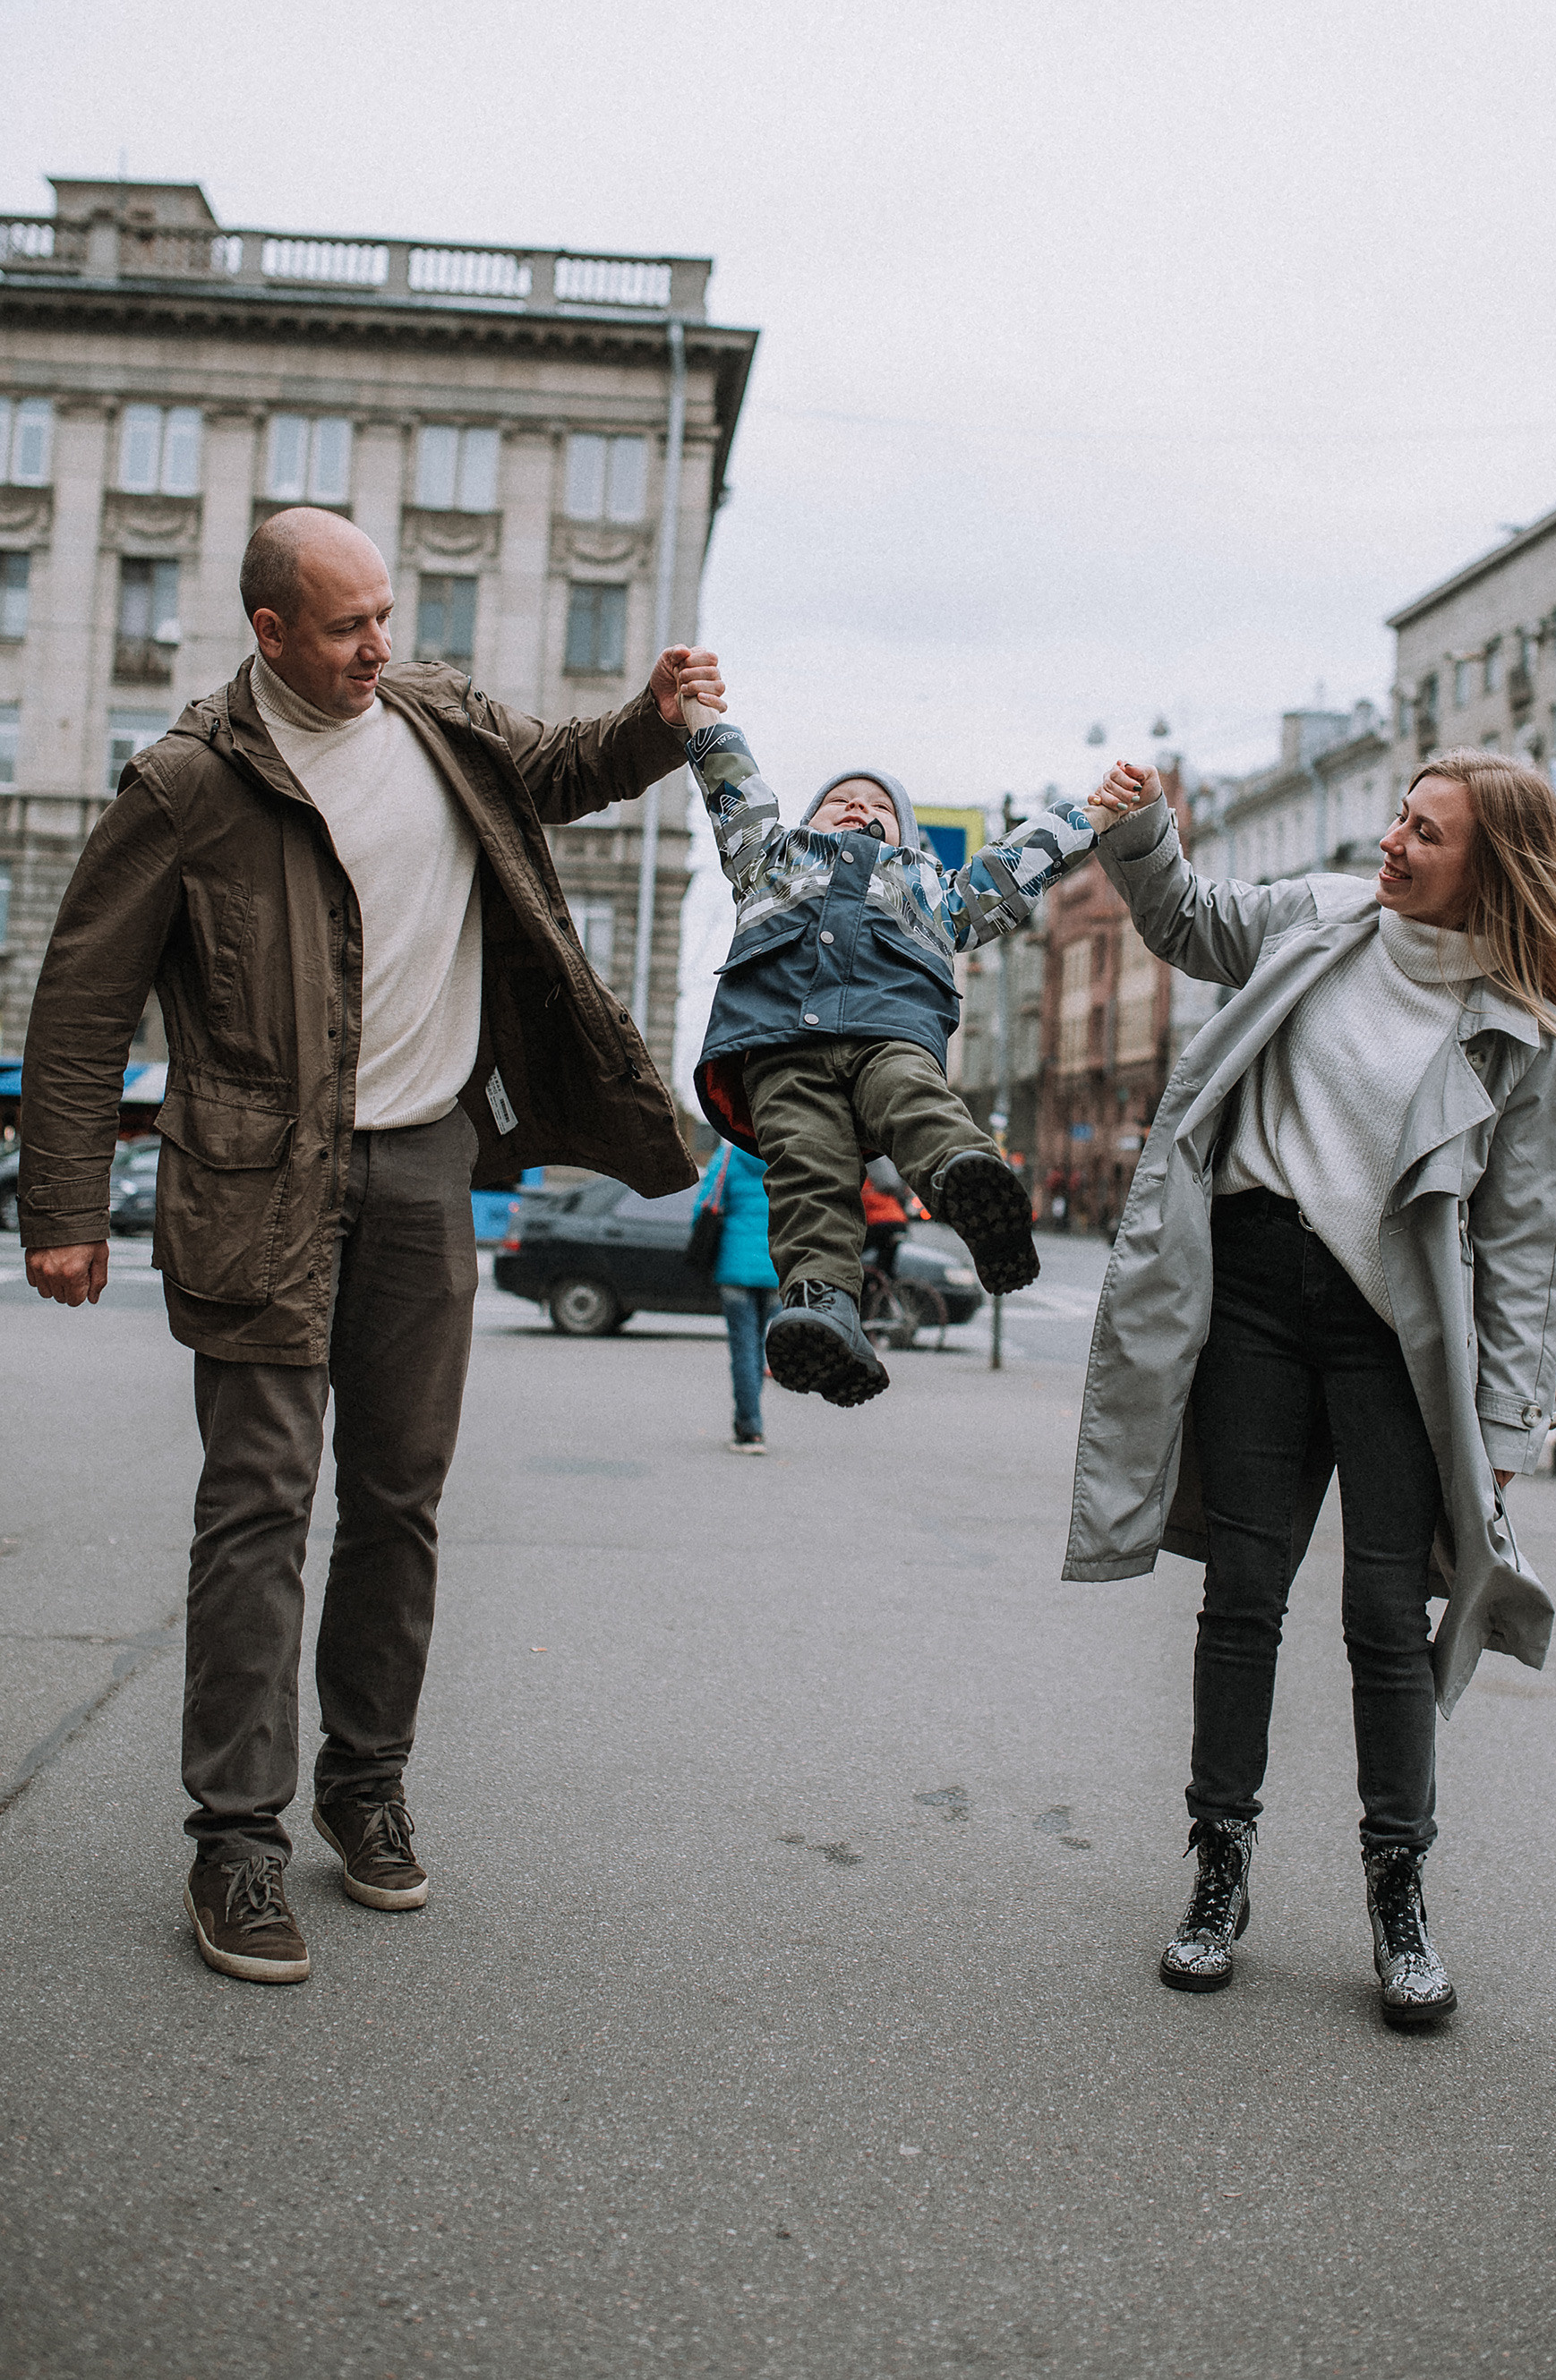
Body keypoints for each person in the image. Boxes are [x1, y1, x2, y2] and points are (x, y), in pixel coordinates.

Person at [18, 504, 723, 1987]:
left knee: (399, 1499)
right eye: (346, 627)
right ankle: (236, 1841)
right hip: (257, 1177)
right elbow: (81, 1008)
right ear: (270, 630)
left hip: (422, 1165)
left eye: (385, 616)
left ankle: (363, 1778)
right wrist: (65, 1206)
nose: (376, 648)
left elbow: (563, 768)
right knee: (259, 1505)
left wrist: (653, 722)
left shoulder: (436, 720)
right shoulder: (188, 784)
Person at [1064, 746, 1556, 2027]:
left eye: (1426, 833)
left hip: (1398, 1339)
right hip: (1252, 1296)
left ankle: (1399, 1894)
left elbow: (1526, 1248)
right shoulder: (1316, 920)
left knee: (1382, 1624)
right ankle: (1218, 1871)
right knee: (1241, 1596)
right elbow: (1186, 920)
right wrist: (1141, 833)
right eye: (1398, 820)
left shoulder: (1522, 1037)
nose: (1394, 845)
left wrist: (1508, 1422)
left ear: (1491, 867)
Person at [679, 687, 1133, 1406]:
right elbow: (732, 785)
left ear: (908, 834)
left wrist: (1098, 813)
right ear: (805, 821)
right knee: (806, 1172)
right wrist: (700, 712)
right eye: (839, 801)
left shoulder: (934, 886)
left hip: (889, 1032)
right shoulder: (768, 857)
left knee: (913, 1099)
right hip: (781, 1045)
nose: (858, 809)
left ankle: (967, 1178)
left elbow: (1019, 863)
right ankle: (824, 1306)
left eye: (877, 806)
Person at [694, 1138, 781, 1452]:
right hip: (775, 1266)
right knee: (757, 1345)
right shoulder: (782, 1154)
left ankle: (750, 1428)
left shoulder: (729, 1156)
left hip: (735, 1265)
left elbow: (705, 1204)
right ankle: (750, 1421)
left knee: (744, 1347)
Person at [860, 1157, 911, 1276]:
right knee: (884, 1268)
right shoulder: (880, 1186)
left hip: (881, 1224)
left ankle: (868, 1286)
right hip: (900, 1223)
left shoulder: (863, 1186)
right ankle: (887, 1290)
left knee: (850, 1253)